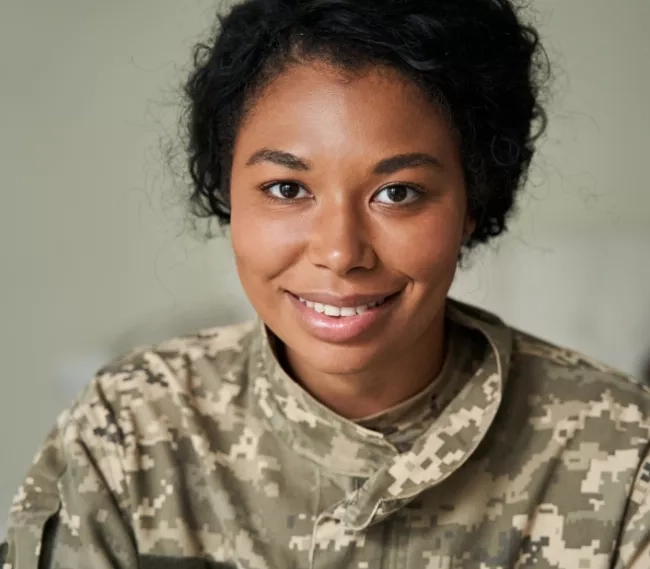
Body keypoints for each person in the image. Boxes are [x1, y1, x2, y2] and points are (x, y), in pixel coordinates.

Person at [3, 0, 650, 567]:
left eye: (398, 193)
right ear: (229, 194)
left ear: (472, 199)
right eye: (287, 189)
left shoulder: (622, 449)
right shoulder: (129, 428)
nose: (341, 252)